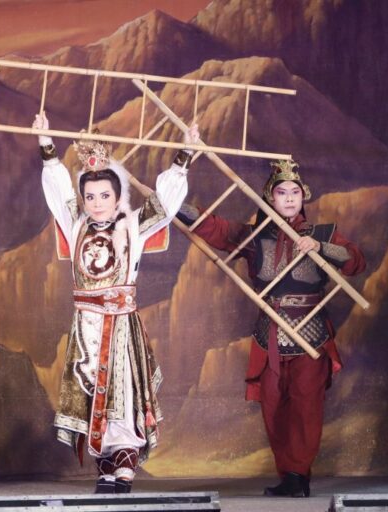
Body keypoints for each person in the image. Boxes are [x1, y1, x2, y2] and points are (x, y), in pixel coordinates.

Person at [176, 160, 366, 497]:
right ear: (270, 198)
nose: (289, 198)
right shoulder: (256, 237)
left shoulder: (322, 234)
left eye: (295, 192)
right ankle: (288, 475)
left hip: (311, 333)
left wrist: (321, 248)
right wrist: (175, 203)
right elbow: (218, 230)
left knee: (306, 406)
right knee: (274, 407)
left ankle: (298, 475)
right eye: (282, 192)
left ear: (303, 197)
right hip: (271, 333)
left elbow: (355, 261)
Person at [33, 112, 196, 493]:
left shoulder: (133, 225)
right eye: (90, 196)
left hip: (120, 322)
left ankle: (125, 465)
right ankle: (106, 466)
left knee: (122, 390)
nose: (97, 203)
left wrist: (184, 155)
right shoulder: (75, 222)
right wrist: (46, 145)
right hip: (86, 324)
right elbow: (58, 189)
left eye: (104, 195)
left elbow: (165, 205)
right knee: (93, 391)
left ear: (118, 196)